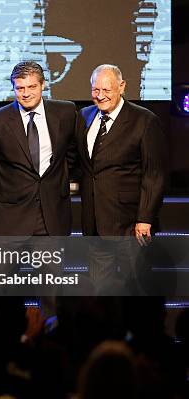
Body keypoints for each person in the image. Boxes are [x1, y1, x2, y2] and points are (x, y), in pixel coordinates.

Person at [78, 64, 165, 291]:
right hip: (95, 223)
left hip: (130, 224)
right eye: (95, 90)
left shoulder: (144, 120)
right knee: (99, 294)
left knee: (137, 290)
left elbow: (153, 174)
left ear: (122, 86)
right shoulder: (85, 116)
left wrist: (144, 218)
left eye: (107, 90)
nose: (100, 96)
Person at [0, 61, 78, 239]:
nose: (26, 94)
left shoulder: (65, 112)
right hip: (10, 220)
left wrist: (60, 182)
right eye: (20, 88)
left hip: (52, 218)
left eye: (32, 87)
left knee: (51, 268)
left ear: (43, 85)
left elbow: (72, 155)